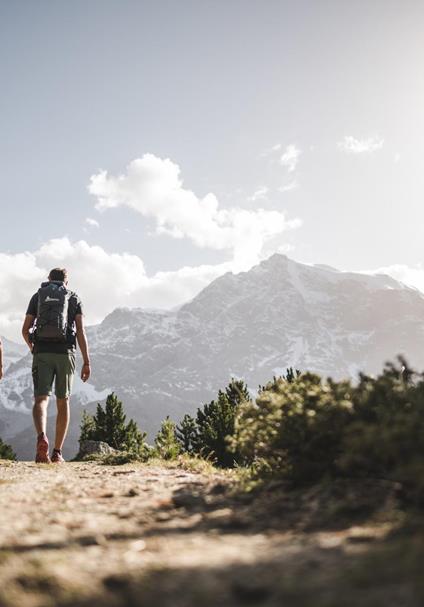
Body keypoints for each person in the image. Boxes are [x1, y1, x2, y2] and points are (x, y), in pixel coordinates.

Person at [22, 268, 91, 463]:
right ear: (66, 282)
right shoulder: (74, 298)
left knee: (41, 399)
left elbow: (25, 330)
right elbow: (80, 332)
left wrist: (32, 347)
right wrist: (86, 361)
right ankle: (57, 452)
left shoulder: (38, 296)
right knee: (63, 401)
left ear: (49, 279)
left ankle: (41, 437)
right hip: (66, 352)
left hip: (42, 352)